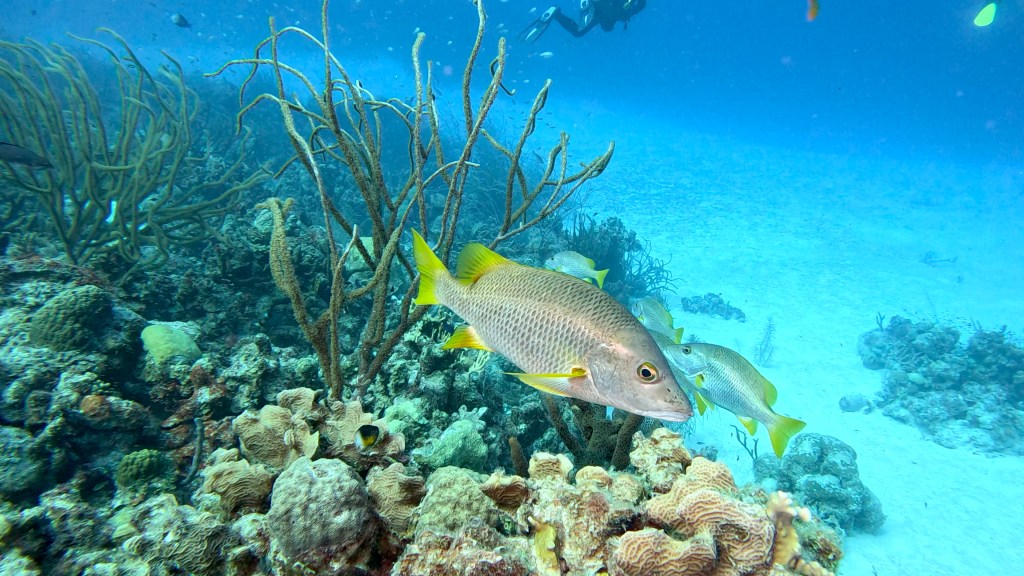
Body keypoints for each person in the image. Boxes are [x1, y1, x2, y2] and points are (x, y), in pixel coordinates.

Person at [520, 0, 647, 43]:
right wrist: (630, 12)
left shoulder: (617, 17)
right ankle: (557, 14)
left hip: (598, 6)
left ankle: (556, 13)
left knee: (578, 31)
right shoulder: (618, 17)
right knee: (578, 32)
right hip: (603, 7)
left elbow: (641, 5)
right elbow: (642, 5)